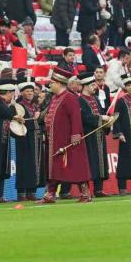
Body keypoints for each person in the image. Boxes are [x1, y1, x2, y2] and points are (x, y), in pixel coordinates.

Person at [37, 67, 92, 203]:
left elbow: (75, 117)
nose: (50, 84)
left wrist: (75, 135)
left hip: (68, 140)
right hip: (54, 139)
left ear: (59, 83)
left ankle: (85, 193)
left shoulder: (70, 98)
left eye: (52, 82)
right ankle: (50, 194)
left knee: (76, 165)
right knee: (53, 168)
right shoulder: (55, 98)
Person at [78, 71, 112, 198]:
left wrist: (107, 122)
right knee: (89, 163)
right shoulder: (80, 100)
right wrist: (101, 117)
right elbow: (85, 117)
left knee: (100, 162)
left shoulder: (95, 99)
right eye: (92, 85)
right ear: (86, 86)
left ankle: (99, 190)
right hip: (88, 136)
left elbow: (101, 113)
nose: (95, 87)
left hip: (99, 135)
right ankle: (86, 191)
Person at [15, 77, 42, 201]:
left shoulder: (34, 106)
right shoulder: (18, 106)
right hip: (24, 140)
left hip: (36, 139)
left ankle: (32, 191)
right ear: (21, 92)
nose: (30, 93)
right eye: (27, 91)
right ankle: (22, 192)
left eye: (31, 91)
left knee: (35, 165)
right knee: (24, 165)